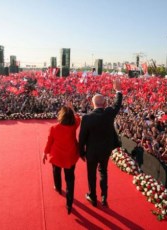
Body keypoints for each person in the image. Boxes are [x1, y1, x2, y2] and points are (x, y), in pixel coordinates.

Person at [79, 78, 123, 207]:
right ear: (104, 104)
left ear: (93, 104)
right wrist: (118, 91)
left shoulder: (86, 118)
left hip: (91, 152)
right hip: (105, 150)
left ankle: (92, 197)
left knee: (91, 175)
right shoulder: (109, 113)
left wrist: (81, 152)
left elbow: (82, 138)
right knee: (103, 172)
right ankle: (104, 198)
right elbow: (117, 104)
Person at [43, 102, 80, 214]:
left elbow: (49, 142)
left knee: (56, 172)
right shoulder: (74, 125)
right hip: (70, 156)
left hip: (57, 156)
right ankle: (69, 203)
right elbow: (78, 117)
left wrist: (45, 153)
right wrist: (72, 109)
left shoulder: (54, 128)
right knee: (70, 179)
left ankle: (58, 187)